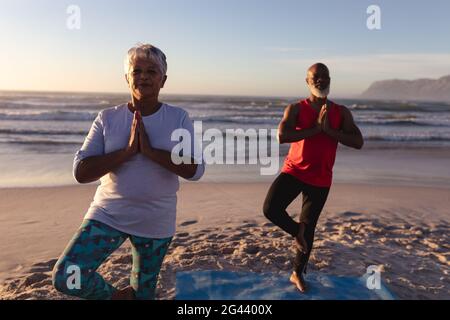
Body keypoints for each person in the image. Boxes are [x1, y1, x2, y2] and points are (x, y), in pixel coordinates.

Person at [52, 43, 205, 300]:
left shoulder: (178, 117)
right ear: (127, 78)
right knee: (66, 275)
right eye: (137, 71)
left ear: (163, 80)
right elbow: (81, 171)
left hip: (155, 220)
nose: (143, 76)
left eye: (152, 71)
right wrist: (126, 152)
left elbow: (196, 169)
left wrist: (150, 151)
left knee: (144, 295)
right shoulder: (107, 118)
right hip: (108, 214)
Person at [263, 63, 364, 293]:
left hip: (320, 178)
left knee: (310, 228)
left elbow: (358, 141)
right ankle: (296, 231)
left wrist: (330, 131)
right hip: (294, 171)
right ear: (307, 81)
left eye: (324, 76)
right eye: (315, 77)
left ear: (330, 80)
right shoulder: (296, 109)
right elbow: (282, 136)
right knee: (271, 208)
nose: (320, 80)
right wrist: (317, 129)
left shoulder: (341, 112)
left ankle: (297, 273)